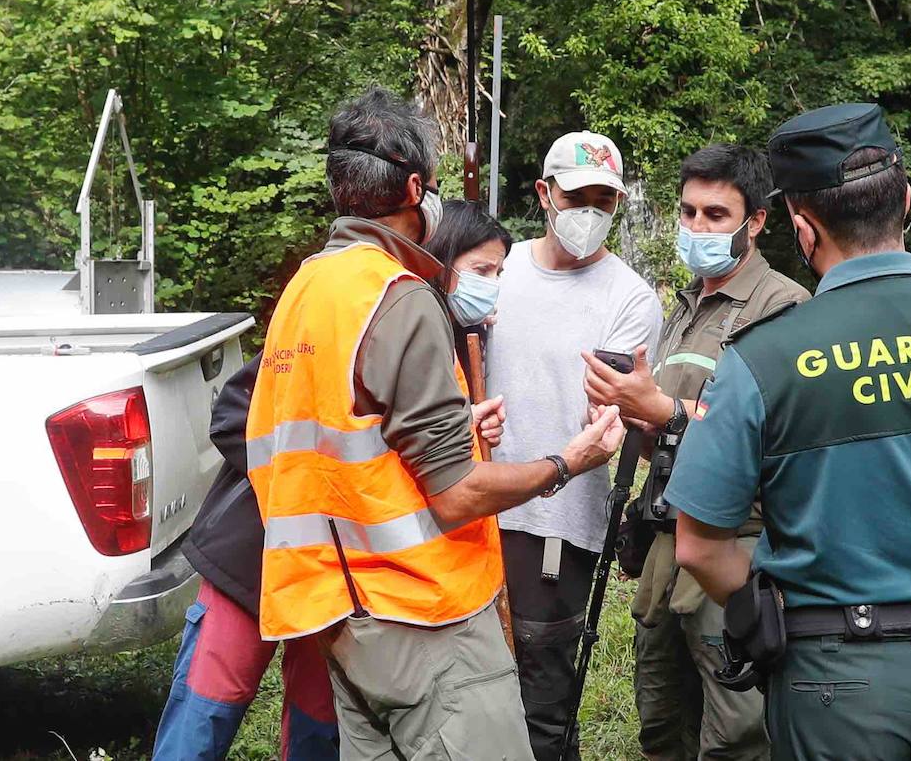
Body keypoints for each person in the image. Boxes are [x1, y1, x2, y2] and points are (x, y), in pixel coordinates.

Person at [667, 103, 911, 761]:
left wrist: (790, 608)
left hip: (833, 679)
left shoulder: (760, 358)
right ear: (906, 202)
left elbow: (699, 547)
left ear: (802, 227)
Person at [245, 89, 627, 760]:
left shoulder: (305, 289)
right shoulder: (398, 296)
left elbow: (327, 443)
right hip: (423, 612)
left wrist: (451, 429)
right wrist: (569, 462)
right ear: (415, 189)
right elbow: (455, 496)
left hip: (340, 613)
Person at [151, 193, 516, 761]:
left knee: (318, 726)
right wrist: (312, 482)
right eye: (482, 270)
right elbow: (235, 416)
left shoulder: (435, 332)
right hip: (253, 553)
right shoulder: (350, 314)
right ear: (442, 260)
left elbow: (388, 451)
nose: (491, 287)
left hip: (337, 578)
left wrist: (455, 431)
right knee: (206, 714)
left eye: (499, 274)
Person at [581, 143, 808, 760]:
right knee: (661, 726)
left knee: (736, 736)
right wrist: (626, 413)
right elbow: (669, 433)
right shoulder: (684, 308)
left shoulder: (784, 308)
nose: (697, 227)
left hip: (738, 551)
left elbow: (778, 434)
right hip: (666, 548)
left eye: (715, 214)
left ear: (755, 222)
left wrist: (663, 410)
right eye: (688, 212)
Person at [485, 131, 664, 761]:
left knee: (543, 700)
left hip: (556, 523)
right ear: (544, 193)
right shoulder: (496, 272)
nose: (589, 212)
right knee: (475, 690)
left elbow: (615, 408)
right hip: (473, 506)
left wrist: (607, 414)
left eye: (603, 201)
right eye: (576, 197)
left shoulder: (631, 298)